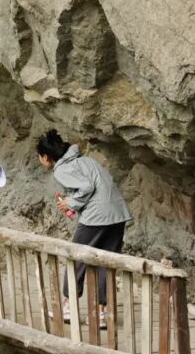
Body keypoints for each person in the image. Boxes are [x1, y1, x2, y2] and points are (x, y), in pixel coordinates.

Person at [36, 130, 131, 327]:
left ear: (45, 157)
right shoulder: (86, 160)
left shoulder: (62, 170)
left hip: (97, 217)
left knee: (76, 259)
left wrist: (70, 202)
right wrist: (74, 202)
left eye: (40, 158)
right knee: (106, 262)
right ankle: (101, 313)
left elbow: (86, 187)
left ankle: (69, 307)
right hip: (118, 214)